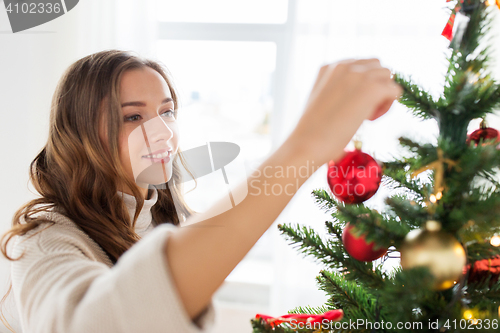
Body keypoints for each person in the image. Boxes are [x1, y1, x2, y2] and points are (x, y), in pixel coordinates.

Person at [0, 50, 401, 333]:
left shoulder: (164, 221)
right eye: (133, 116)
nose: (162, 131)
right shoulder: (44, 239)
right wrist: (305, 147)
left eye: (167, 111)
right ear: (81, 134)